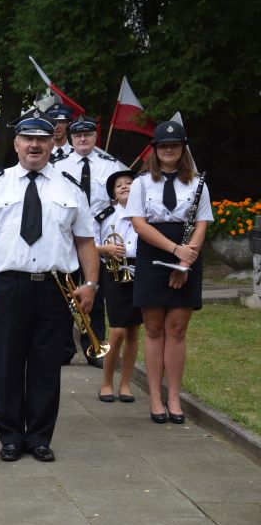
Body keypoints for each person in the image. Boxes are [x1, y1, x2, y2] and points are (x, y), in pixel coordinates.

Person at [0, 109, 99, 462]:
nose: (34, 145)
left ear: (53, 143)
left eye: (42, 139)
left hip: (55, 288)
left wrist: (90, 283)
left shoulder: (69, 188)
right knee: (7, 364)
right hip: (7, 286)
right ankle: (10, 436)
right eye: (28, 139)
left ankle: (39, 437)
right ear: (16, 143)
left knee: (46, 366)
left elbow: (85, 241)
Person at [125, 120, 212, 424]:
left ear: (183, 148)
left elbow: (201, 224)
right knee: (153, 328)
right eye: (163, 146)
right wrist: (175, 251)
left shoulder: (198, 183)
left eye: (174, 145)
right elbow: (139, 224)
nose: (169, 150)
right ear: (156, 149)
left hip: (188, 254)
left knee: (177, 328)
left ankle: (174, 398)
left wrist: (185, 263)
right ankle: (155, 398)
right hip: (153, 254)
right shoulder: (140, 183)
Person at [54, 115, 122, 368]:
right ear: (71, 138)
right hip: (67, 237)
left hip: (97, 236)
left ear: (95, 137)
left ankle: (94, 349)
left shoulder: (110, 166)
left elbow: (119, 201)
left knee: (95, 294)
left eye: (88, 135)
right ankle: (64, 349)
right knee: (65, 294)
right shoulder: (57, 165)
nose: (82, 139)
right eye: (78, 135)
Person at [95, 169, 142, 403]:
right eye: (119, 185)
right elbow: (89, 244)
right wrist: (106, 249)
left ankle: (125, 383)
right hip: (114, 273)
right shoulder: (105, 216)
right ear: (113, 194)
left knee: (134, 331)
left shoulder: (145, 214)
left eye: (129, 183)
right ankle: (106, 383)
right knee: (118, 330)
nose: (124, 186)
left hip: (140, 273)